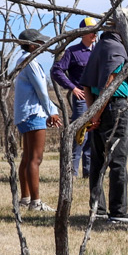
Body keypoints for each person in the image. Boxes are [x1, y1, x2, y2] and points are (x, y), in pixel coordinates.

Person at [80, 21, 128, 222]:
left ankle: (97, 210)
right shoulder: (116, 48)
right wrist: (96, 115)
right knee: (117, 160)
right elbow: (109, 83)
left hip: (99, 110)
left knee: (98, 160)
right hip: (114, 107)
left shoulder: (100, 46)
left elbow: (87, 85)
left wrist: (93, 113)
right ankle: (118, 212)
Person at [12, 29, 61, 213]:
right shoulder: (30, 62)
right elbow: (41, 90)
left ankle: (25, 199)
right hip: (33, 113)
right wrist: (52, 111)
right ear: (32, 45)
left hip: (26, 113)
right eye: (40, 42)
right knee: (35, 159)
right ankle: (35, 202)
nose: (43, 45)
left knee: (27, 157)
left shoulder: (23, 60)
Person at [52, 16, 100, 177]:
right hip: (81, 100)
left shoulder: (99, 50)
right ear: (82, 33)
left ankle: (89, 173)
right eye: (91, 31)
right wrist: (72, 88)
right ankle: (71, 173)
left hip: (98, 100)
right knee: (80, 136)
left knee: (93, 136)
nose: (94, 34)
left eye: (96, 31)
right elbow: (56, 71)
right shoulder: (72, 51)